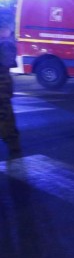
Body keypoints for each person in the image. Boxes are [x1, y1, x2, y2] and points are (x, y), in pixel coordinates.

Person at [0, 11, 20, 154]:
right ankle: (12, 141)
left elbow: (7, 61)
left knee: (4, 114)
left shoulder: (6, 43)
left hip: (2, 84)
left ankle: (13, 142)